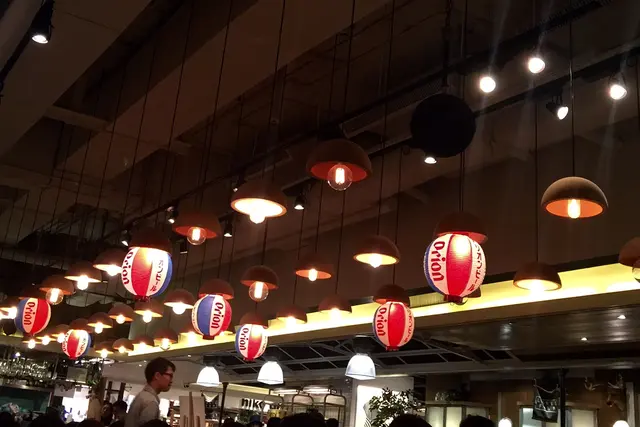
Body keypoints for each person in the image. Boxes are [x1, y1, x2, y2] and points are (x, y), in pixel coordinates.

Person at [125, 357, 175, 427]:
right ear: (157, 375)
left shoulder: (142, 395)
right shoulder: (150, 401)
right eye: (170, 376)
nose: (172, 380)